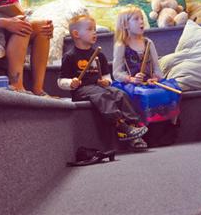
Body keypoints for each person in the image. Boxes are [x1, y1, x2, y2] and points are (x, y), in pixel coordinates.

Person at [58, 15, 149, 150]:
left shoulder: (99, 54)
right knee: (102, 95)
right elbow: (60, 81)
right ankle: (121, 126)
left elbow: (107, 77)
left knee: (120, 93)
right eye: (90, 29)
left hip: (98, 87)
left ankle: (133, 128)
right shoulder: (70, 56)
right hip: (82, 90)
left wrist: (106, 82)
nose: (94, 32)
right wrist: (71, 83)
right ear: (76, 34)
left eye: (95, 29)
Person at [112, 6, 181, 127]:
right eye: (136, 19)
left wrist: (155, 78)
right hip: (132, 85)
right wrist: (131, 79)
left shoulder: (148, 42)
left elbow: (157, 68)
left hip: (150, 82)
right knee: (145, 95)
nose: (141, 21)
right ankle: (145, 129)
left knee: (171, 91)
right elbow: (116, 73)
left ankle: (166, 129)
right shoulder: (121, 45)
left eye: (142, 18)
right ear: (125, 25)